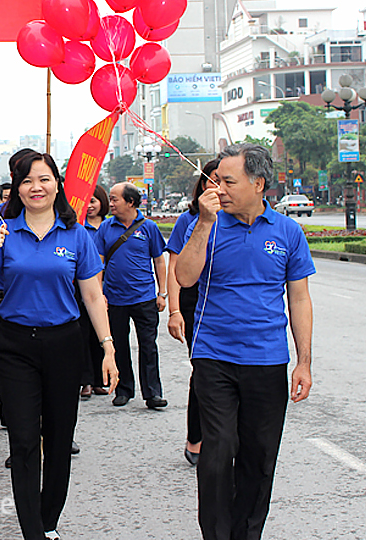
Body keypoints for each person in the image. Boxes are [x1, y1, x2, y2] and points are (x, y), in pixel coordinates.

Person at [0, 152, 118, 540]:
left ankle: (49, 520)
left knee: (58, 437)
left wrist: (108, 346)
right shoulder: (3, 230)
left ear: (57, 184)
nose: (36, 187)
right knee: (22, 439)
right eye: (27, 181)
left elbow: (93, 295)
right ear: (17, 189)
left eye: (44, 179)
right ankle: (32, 531)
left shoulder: (76, 235)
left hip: (64, 344)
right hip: (15, 344)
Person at [175, 143, 314, 540]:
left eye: (228, 181)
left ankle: (246, 534)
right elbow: (184, 277)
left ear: (259, 184)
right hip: (213, 356)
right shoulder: (205, 223)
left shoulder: (288, 231)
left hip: (268, 361)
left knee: (259, 456)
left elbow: (299, 298)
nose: (219, 188)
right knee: (218, 452)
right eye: (217, 180)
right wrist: (203, 223)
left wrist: (303, 361)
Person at [96, 182, 168, 409]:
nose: (112, 203)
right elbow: (98, 263)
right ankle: (124, 389)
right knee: (119, 345)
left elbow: (159, 260)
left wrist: (162, 292)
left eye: (116, 199)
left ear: (130, 202)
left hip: (144, 297)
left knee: (148, 345)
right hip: (115, 298)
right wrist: (100, 295)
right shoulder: (106, 228)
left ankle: (153, 393)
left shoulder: (149, 228)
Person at [165, 159, 218, 466]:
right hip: (194, 302)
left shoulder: (246, 218)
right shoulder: (190, 220)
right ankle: (195, 436)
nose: (219, 186)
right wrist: (174, 310)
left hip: (226, 303)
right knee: (205, 371)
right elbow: (174, 266)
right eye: (213, 180)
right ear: (202, 185)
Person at [78, 184, 110, 398]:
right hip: (82, 288)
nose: (90, 206)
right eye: (86, 201)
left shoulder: (110, 226)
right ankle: (86, 381)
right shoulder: (78, 228)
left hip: (109, 289)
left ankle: (101, 379)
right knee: (83, 335)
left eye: (94, 201)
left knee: (102, 336)